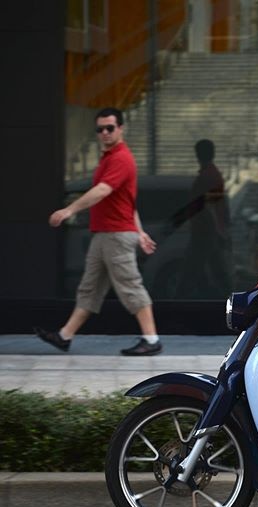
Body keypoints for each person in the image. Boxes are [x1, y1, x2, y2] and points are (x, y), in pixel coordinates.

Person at [35, 107, 162, 356]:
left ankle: (151, 339)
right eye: (100, 129)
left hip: (115, 236)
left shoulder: (121, 158)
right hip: (104, 234)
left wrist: (69, 210)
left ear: (121, 128)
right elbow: (128, 202)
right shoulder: (108, 158)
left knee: (130, 286)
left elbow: (103, 191)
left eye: (110, 128)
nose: (104, 133)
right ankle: (64, 336)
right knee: (89, 289)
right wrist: (141, 232)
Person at [173, 138, 231, 298]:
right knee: (211, 271)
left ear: (198, 155)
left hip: (205, 233)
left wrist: (215, 230)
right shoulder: (211, 174)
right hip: (207, 231)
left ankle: (176, 305)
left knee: (190, 270)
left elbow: (211, 206)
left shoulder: (209, 176)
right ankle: (223, 298)